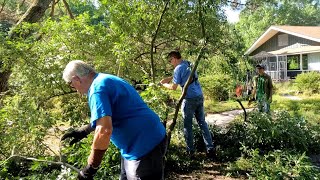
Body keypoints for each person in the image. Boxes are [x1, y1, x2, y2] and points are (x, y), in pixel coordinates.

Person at [61, 60, 167, 180]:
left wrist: (91, 168)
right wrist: (84, 130)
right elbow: (108, 115)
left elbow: (104, 131)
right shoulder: (103, 79)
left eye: (71, 84)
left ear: (76, 79)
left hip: (143, 145)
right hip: (138, 143)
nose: (74, 88)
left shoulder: (97, 90)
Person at [159, 51, 215, 158]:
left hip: (189, 99)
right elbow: (183, 75)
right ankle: (210, 148)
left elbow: (174, 87)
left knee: (187, 126)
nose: (170, 63)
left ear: (174, 58)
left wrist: (164, 84)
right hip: (199, 96)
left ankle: (191, 152)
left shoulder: (178, 68)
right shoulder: (188, 63)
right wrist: (169, 78)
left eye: (170, 60)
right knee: (202, 123)